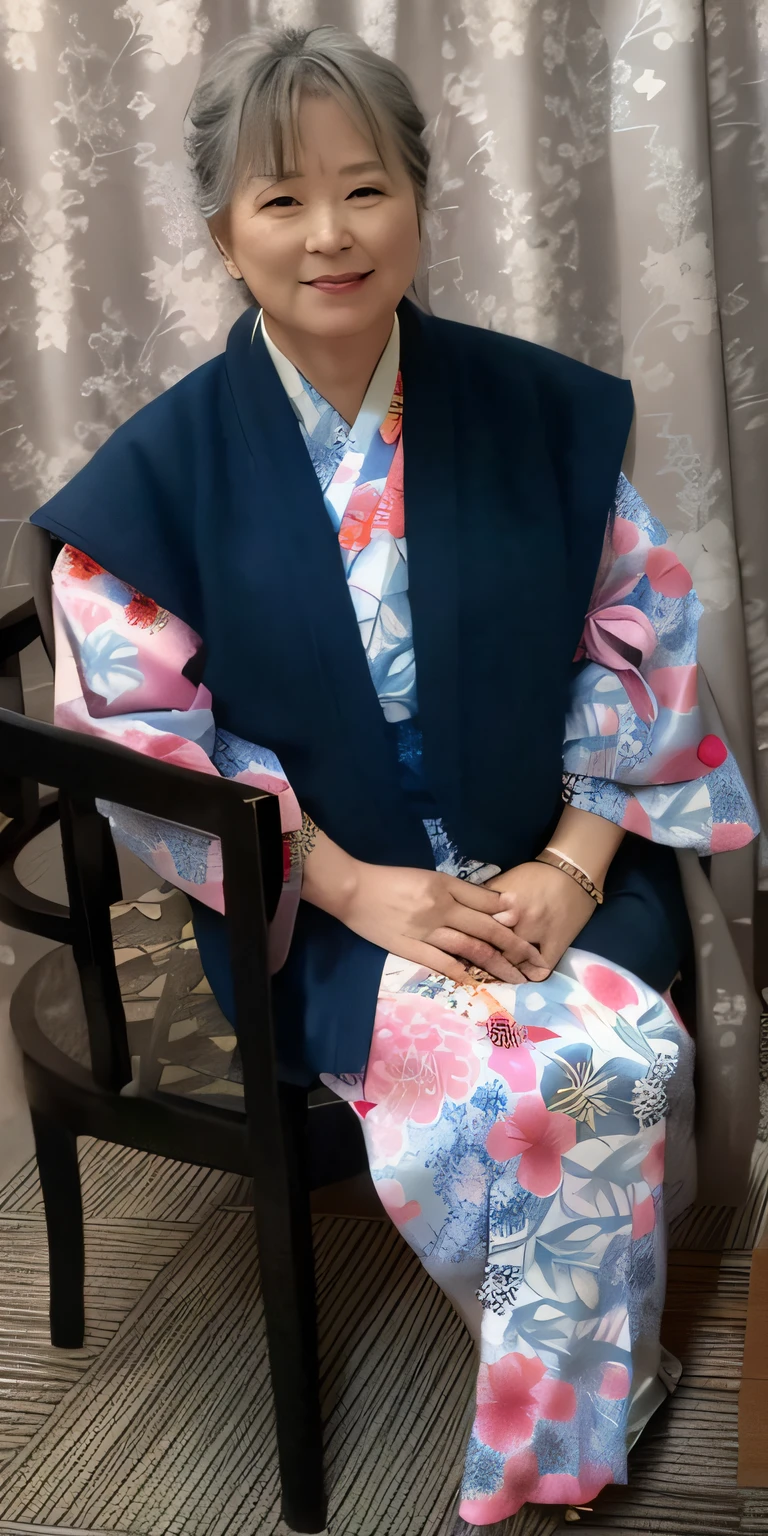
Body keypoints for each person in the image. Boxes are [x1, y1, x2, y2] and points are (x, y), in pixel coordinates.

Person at [31, 26, 758, 1523]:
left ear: (422, 203)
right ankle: (580, 1419)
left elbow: (641, 637)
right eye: (281, 199)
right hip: (318, 902)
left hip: (554, 868)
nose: (331, 234)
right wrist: (358, 890)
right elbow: (138, 740)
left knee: (610, 1061)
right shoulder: (164, 472)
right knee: (524, 1092)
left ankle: (552, 1428)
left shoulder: (537, 413)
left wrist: (570, 867)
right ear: (223, 234)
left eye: (365, 189)